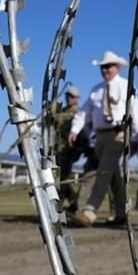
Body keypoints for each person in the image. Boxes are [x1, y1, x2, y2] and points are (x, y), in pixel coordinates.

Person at [68, 51, 138, 228]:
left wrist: (135, 136)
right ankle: (121, 212)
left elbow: (135, 111)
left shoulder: (126, 86)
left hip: (119, 134)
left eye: (108, 66)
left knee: (103, 171)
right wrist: (75, 129)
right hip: (100, 137)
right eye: (102, 67)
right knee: (113, 175)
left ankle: (90, 211)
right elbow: (85, 112)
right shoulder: (96, 90)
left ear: (117, 68)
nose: (105, 70)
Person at [53, 86, 82, 215]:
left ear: (77, 98)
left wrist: (77, 150)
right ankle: (74, 201)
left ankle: (59, 205)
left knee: (63, 178)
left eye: (72, 96)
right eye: (68, 96)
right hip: (58, 149)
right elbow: (53, 122)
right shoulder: (62, 111)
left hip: (68, 150)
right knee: (59, 178)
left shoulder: (78, 113)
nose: (69, 98)